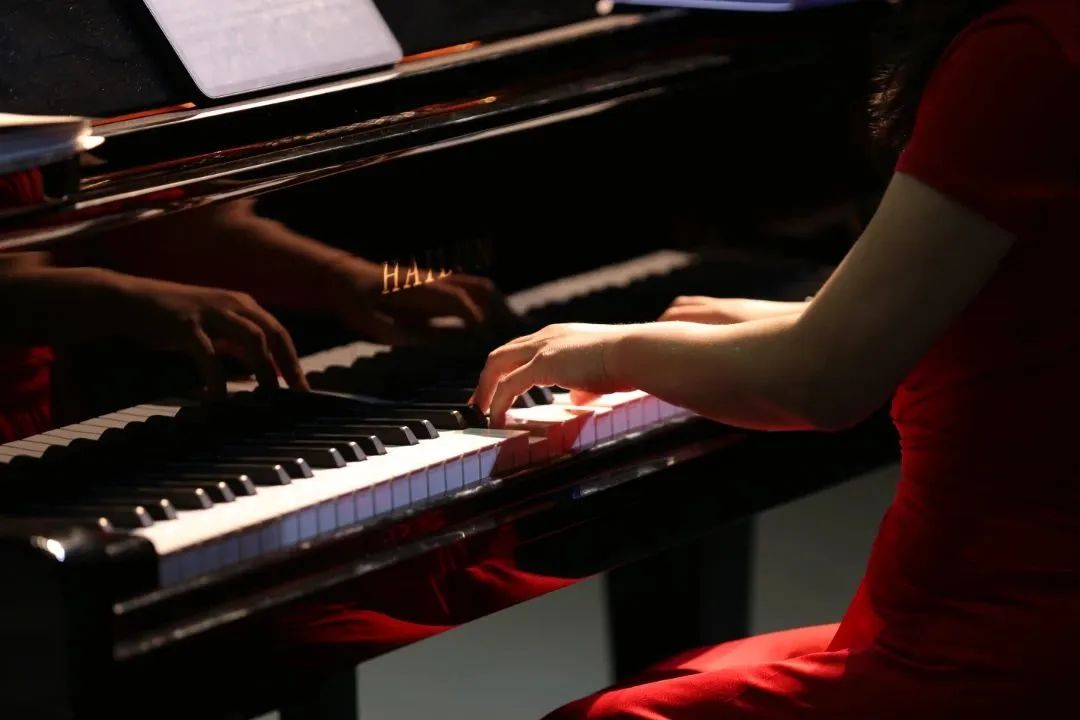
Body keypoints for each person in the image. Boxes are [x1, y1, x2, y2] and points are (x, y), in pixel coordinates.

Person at [471, 0, 1080, 716]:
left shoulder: (1023, 55)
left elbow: (820, 380)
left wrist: (613, 351)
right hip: (1027, 619)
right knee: (666, 677)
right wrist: (798, 320)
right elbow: (1017, 315)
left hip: (991, 651)